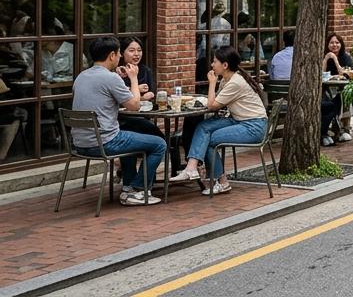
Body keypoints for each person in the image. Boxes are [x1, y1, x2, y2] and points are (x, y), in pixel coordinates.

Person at [72, 36, 166, 205]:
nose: (120, 56)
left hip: (80, 143)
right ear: (112, 55)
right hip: (104, 142)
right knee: (159, 144)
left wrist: (119, 77)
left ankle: (128, 186)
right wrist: (134, 78)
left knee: (129, 136)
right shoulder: (111, 78)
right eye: (119, 53)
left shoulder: (81, 76)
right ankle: (138, 190)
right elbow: (134, 105)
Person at [169, 47, 268, 196]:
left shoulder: (235, 82)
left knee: (210, 139)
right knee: (203, 126)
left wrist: (211, 83)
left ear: (225, 65)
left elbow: (212, 105)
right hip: (238, 120)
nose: (212, 65)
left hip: (253, 126)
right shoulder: (227, 80)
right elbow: (215, 102)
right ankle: (191, 168)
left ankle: (222, 182)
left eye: (215, 62)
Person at [322, 33, 353, 144]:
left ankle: (342, 128)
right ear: (327, 44)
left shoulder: (345, 57)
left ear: (341, 44)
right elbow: (321, 75)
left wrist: (335, 60)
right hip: (324, 90)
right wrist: (326, 59)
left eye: (337, 42)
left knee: (342, 96)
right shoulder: (323, 56)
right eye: (331, 43)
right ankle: (333, 130)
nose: (334, 45)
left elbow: (347, 73)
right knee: (329, 101)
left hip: (340, 88)